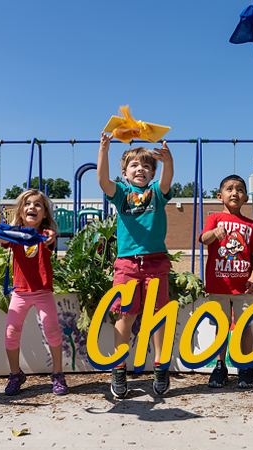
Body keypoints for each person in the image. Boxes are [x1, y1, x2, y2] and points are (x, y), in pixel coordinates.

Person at [96, 131, 174, 398]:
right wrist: (103, 151)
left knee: (158, 316)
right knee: (126, 316)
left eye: (146, 166)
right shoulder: (121, 194)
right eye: (134, 165)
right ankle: (119, 368)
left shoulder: (156, 193)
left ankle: (161, 366)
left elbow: (167, 181)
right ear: (125, 172)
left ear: (152, 173)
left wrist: (168, 161)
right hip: (127, 264)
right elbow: (103, 181)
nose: (140, 169)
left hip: (156, 263)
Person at [0, 189, 68, 396]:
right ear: (21, 212)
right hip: (20, 292)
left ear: (45, 214)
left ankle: (58, 374)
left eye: (38, 205)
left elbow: (50, 237)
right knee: (11, 333)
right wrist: (11, 225)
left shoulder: (46, 235)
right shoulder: (15, 234)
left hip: (42, 292)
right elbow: (2, 238)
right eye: (27, 204)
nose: (32, 207)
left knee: (53, 331)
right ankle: (15, 374)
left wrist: (49, 236)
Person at [200, 174, 253, 389]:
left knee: (245, 327)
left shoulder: (250, 224)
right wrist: (214, 233)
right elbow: (203, 239)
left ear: (246, 197)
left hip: (244, 286)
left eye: (240, 189)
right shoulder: (215, 219)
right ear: (220, 196)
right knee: (221, 326)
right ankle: (220, 366)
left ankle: (245, 366)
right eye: (229, 189)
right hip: (219, 284)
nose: (234, 192)